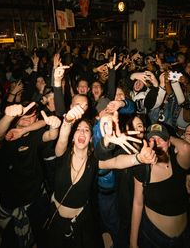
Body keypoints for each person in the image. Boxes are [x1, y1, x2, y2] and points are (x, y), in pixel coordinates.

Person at [46, 105, 156, 248]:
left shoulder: (93, 162)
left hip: (81, 221)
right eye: (78, 129)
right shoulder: (62, 154)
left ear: (91, 138)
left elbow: (116, 162)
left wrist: (138, 158)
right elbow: (62, 137)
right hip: (56, 217)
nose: (82, 133)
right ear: (73, 137)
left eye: (86, 130)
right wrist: (67, 121)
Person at [0, 101, 61, 248]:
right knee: (10, 241)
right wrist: (8, 116)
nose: (27, 118)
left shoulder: (34, 135)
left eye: (31, 116)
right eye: (23, 115)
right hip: (10, 202)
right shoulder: (7, 133)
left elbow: (50, 134)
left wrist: (54, 126)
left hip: (35, 197)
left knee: (41, 235)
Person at [130, 123, 190, 248]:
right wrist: (133, 242)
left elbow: (186, 147)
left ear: (169, 142)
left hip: (184, 237)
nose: (156, 143)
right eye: (152, 139)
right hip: (154, 236)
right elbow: (137, 203)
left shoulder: (179, 162)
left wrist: (169, 138)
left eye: (161, 139)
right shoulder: (143, 168)